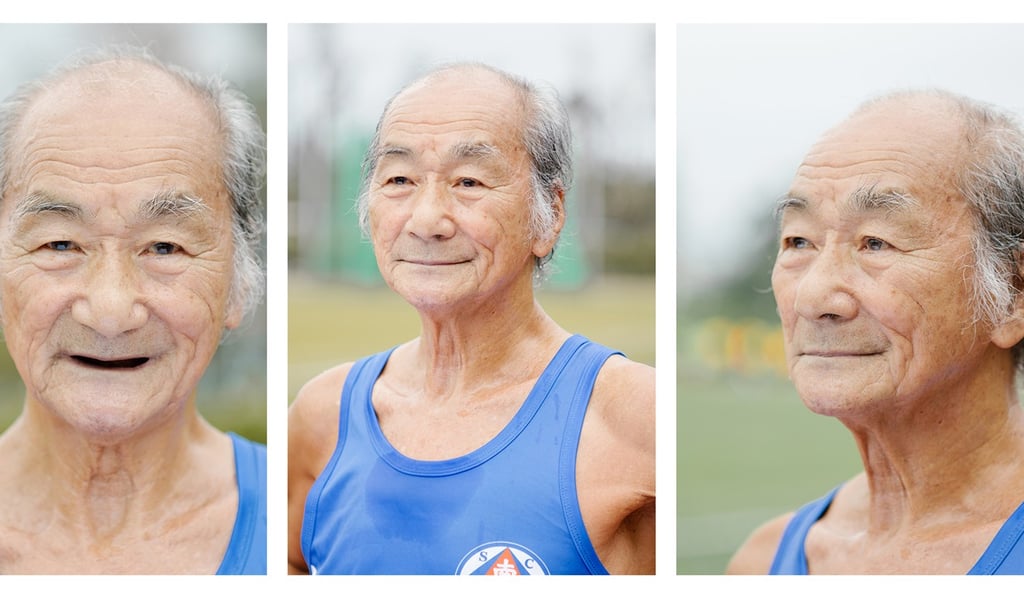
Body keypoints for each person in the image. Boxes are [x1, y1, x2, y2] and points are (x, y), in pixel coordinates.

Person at [288, 62, 655, 575]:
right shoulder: (320, 417)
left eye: (469, 181)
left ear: (547, 215)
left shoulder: (634, 417)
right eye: (399, 179)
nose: (427, 219)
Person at [727, 89, 1024, 575]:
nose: (814, 297)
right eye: (798, 240)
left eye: (876, 243)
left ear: (1014, 292)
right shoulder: (762, 562)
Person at [0, 46, 267, 574]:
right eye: (59, 245)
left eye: (165, 248)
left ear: (239, 283)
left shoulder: (299, 512)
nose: (110, 310)